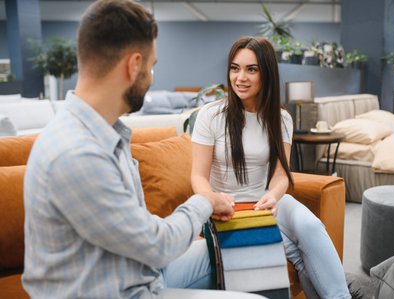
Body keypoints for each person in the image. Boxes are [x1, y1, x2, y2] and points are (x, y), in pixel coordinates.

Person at [22, 1, 267, 298]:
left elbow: (136, 229)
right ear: (134, 65)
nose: (151, 78)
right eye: (151, 67)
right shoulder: (77, 152)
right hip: (124, 292)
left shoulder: (106, 134)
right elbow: (157, 245)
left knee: (248, 249)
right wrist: (205, 201)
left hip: (140, 274)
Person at [191, 36, 351, 299]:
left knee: (311, 228)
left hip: (267, 201)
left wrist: (274, 196)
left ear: (266, 73)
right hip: (227, 208)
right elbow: (198, 175)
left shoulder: (281, 118)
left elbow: (281, 174)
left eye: (251, 69)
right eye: (235, 68)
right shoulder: (210, 115)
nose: (240, 77)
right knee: (298, 258)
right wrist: (212, 199)